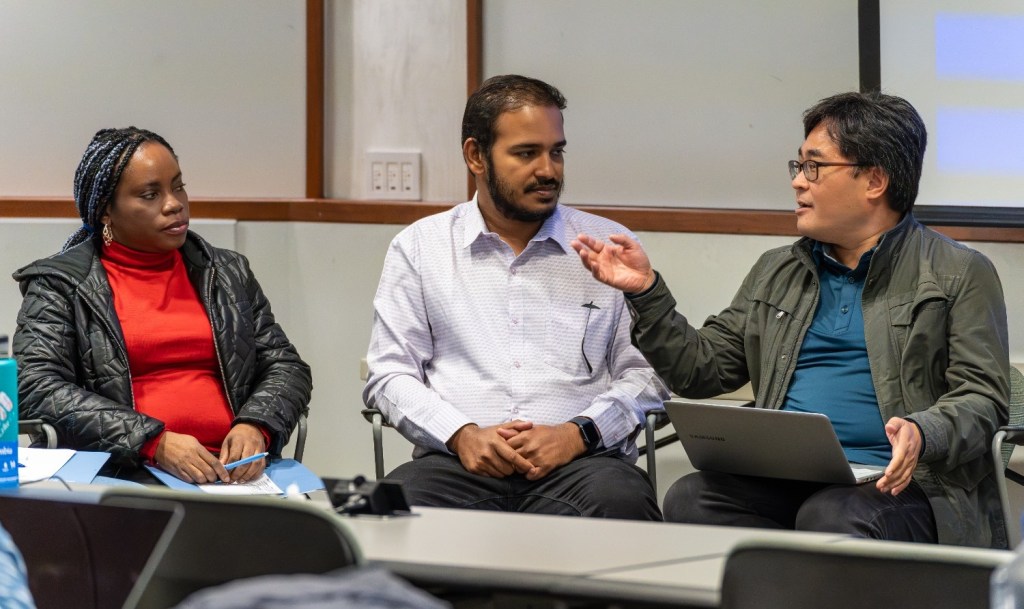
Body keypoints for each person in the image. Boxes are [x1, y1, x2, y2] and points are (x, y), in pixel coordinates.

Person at [573, 91, 1010, 547]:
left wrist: (924, 432)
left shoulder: (958, 272)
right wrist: (646, 291)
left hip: (905, 484)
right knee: (692, 498)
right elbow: (701, 371)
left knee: (832, 514)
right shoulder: (777, 270)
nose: (798, 182)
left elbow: (983, 397)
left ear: (875, 180)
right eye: (798, 166)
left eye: (814, 167)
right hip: (784, 477)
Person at [362, 74, 668, 520]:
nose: (549, 170)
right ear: (476, 156)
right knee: (386, 514)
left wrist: (576, 434)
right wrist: (461, 434)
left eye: (556, 151)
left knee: (623, 503)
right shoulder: (419, 247)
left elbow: (648, 376)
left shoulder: (608, 246)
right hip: (453, 464)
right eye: (527, 153)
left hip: (583, 468)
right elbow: (389, 374)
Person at [13, 127, 312, 484]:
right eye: (150, 194)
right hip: (123, 472)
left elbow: (285, 365)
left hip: (236, 477)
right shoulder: (61, 284)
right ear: (106, 210)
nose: (174, 203)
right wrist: (152, 441)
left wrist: (257, 424)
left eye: (179, 186)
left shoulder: (226, 273)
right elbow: (35, 387)